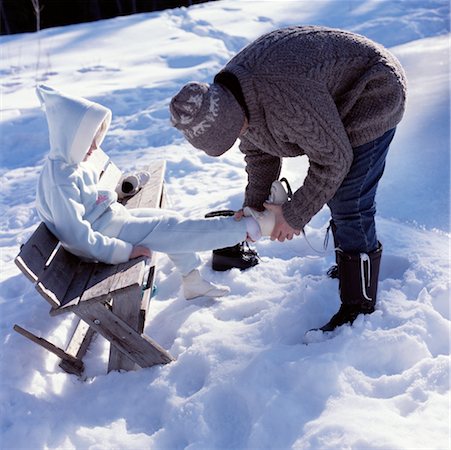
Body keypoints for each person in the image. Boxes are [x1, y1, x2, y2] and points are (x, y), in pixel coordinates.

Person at [169, 26, 407, 330]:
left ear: (231, 118)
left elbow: (334, 159)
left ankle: (358, 308)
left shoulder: (281, 95)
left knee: (349, 198)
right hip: (327, 95)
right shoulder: (232, 97)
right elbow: (260, 153)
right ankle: (349, 263)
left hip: (372, 89)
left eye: (235, 132)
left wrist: (293, 216)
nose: (241, 136)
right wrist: (253, 207)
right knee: (335, 189)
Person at [34, 84, 270, 300]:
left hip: (112, 222)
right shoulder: (60, 181)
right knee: (174, 231)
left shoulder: (69, 164)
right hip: (105, 240)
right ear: (69, 137)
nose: (95, 148)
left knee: (172, 222)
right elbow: (78, 238)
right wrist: (123, 252)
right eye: (88, 141)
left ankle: (192, 281)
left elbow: (88, 208)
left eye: (96, 139)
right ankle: (245, 228)